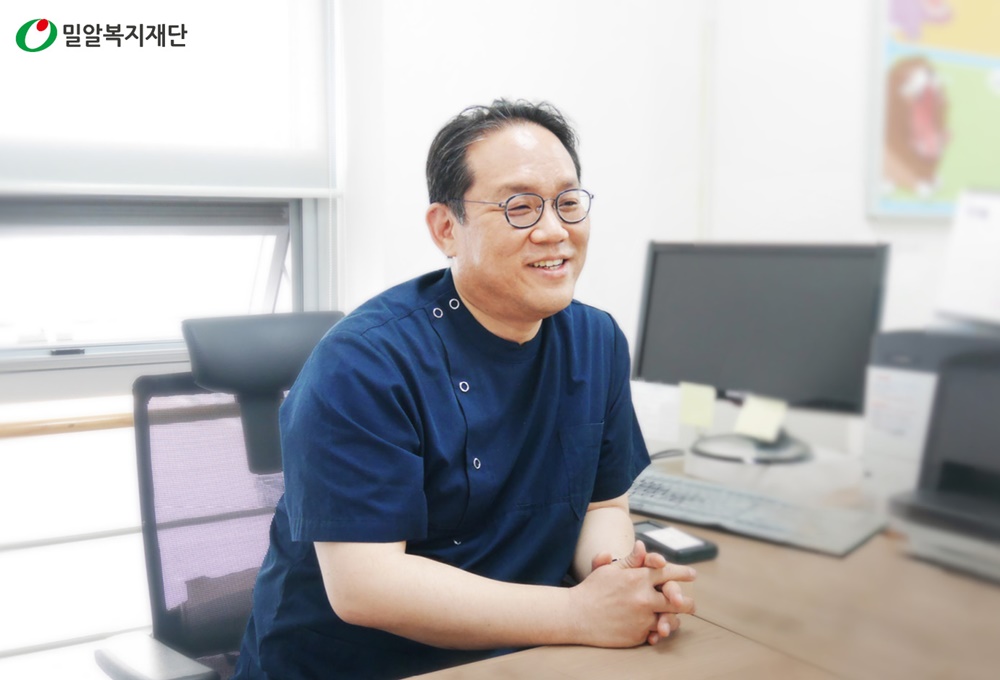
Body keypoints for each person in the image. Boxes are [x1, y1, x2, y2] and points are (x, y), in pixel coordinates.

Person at [232, 99, 697, 680]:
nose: (554, 231)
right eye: (520, 207)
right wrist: (580, 613)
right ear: (446, 229)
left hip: (522, 654)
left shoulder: (595, 340)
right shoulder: (363, 364)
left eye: (567, 202)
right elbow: (366, 587)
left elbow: (602, 505)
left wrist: (617, 580)